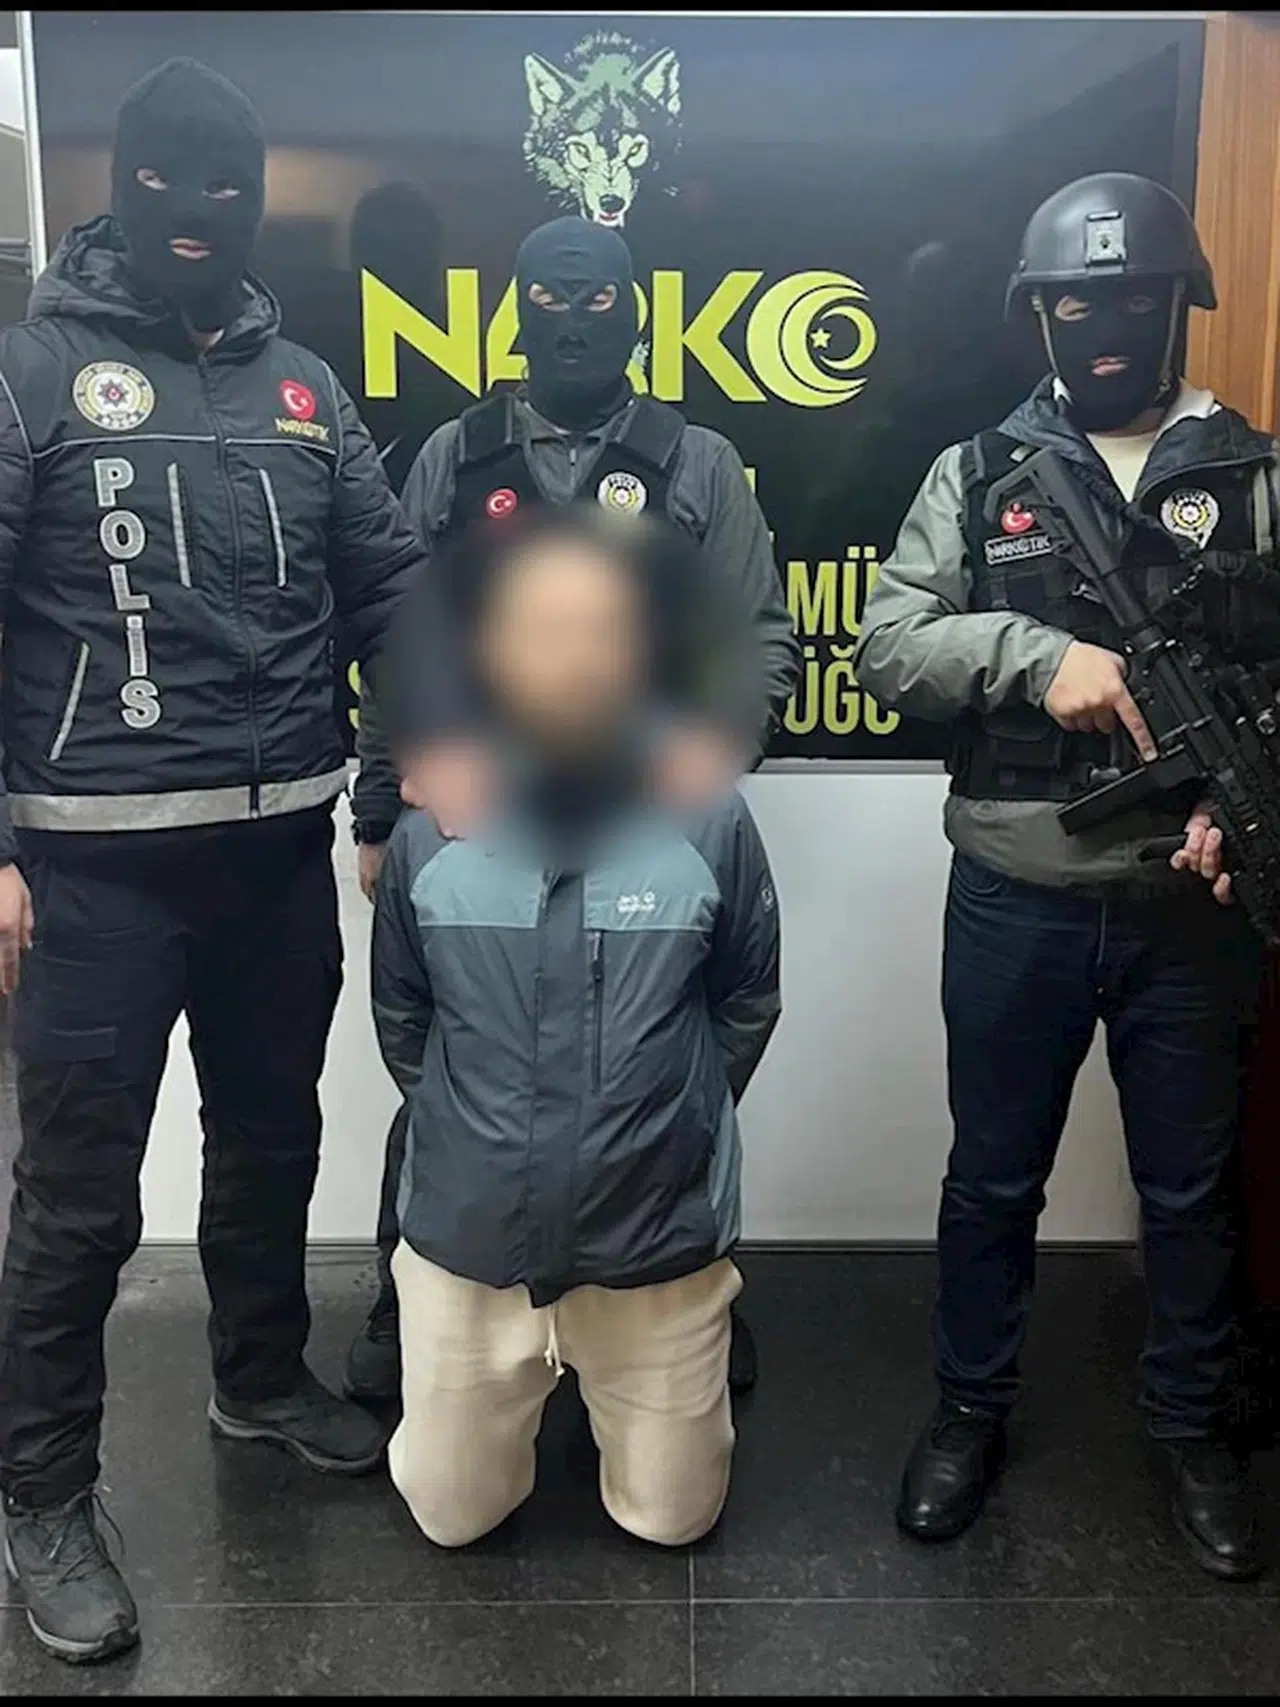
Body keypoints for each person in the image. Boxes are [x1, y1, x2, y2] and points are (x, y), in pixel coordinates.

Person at [0, 59, 431, 1664]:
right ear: (122, 188)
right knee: (78, 1202)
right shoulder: (32, 374)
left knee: (270, 1137)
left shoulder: (304, 389)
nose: (200, 211)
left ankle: (256, 1377)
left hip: (272, 861)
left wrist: (428, 742)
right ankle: (44, 1490)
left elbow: (393, 587)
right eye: (169, 179)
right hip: (93, 872)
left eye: (229, 184)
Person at [855, 172, 1279, 1580]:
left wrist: (1240, 801)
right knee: (990, 1179)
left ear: (1178, 306)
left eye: (1132, 300)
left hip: (1189, 907)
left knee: (1191, 1192)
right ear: (1038, 316)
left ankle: (1194, 1429)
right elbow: (888, 645)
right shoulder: (980, 473)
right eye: (1075, 304)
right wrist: (1034, 659)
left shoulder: (1253, 475)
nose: (1104, 327)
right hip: (1016, 893)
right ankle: (967, 1410)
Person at [344, 214, 799, 1405]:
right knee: (458, 1062)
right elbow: (402, 636)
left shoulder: (694, 461)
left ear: (635, 312)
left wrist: (705, 760)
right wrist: (382, 805)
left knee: (659, 1057)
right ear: (517, 310)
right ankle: (413, 1291)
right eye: (550, 298)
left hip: (644, 820)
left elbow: (760, 639)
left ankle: (679, 1288)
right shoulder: (456, 455)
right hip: (478, 824)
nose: (575, 322)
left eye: (599, 300)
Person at [371, 505, 781, 1549]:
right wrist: (485, 1136)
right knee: (451, 1516)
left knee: (672, 1521)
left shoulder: (708, 817)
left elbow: (744, 999)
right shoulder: (435, 825)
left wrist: (662, 1120)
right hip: (471, 1243)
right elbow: (404, 1017)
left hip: (654, 1243)